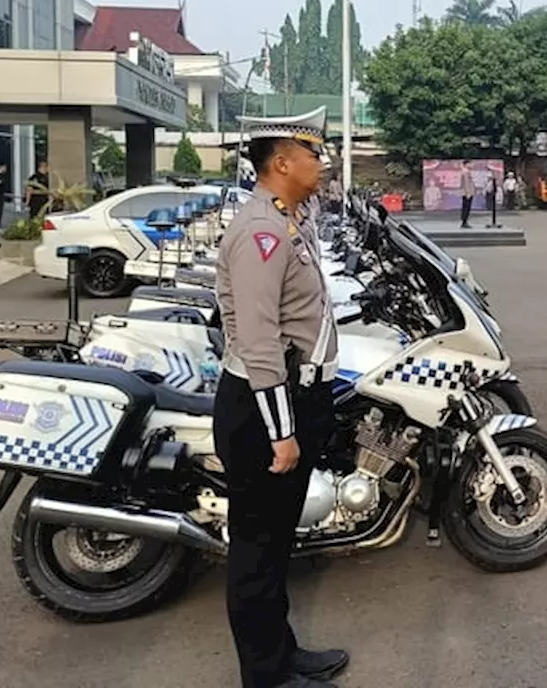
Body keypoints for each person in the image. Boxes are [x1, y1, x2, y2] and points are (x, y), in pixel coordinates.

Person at [215, 108, 349, 688]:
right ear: (283, 162)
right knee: (255, 549)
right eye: (314, 154)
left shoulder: (289, 218)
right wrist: (283, 432)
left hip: (293, 397)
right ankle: (265, 677)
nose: (323, 163)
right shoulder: (260, 233)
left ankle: (282, 652)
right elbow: (259, 339)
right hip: (263, 406)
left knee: (275, 545)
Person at [459, 160, 475, 228]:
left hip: (467, 192)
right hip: (467, 193)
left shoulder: (465, 171)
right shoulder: (466, 172)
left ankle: (464, 221)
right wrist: (468, 192)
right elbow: (466, 183)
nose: (471, 165)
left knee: (466, 207)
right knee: (466, 207)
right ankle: (464, 222)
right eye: (470, 164)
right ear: (466, 164)